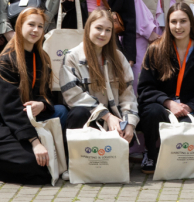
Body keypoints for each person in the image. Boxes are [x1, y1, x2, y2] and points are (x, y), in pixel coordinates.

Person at [0, 7, 68, 185]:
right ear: (20, 26)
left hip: (25, 118)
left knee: (61, 111)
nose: (36, 30)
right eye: (31, 24)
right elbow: (11, 109)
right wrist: (35, 143)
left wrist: (42, 105)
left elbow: (49, 96)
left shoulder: (43, 57)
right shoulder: (6, 60)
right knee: (38, 168)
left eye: (40, 26)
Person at [136, 4, 194, 174]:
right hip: (160, 107)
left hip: (189, 108)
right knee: (151, 112)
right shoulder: (155, 50)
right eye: (173, 22)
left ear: (191, 23)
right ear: (168, 24)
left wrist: (190, 107)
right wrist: (168, 103)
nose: (178, 27)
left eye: (183, 21)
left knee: (186, 136)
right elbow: (145, 88)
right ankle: (150, 153)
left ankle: (177, 158)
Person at [60, 9, 139, 143]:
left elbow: (128, 95)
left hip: (114, 117)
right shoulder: (72, 57)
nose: (103, 34)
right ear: (88, 28)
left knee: (139, 113)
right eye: (99, 28)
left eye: (108, 30)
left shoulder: (118, 57)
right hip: (89, 117)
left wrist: (129, 123)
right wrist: (106, 116)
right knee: (79, 113)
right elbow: (73, 96)